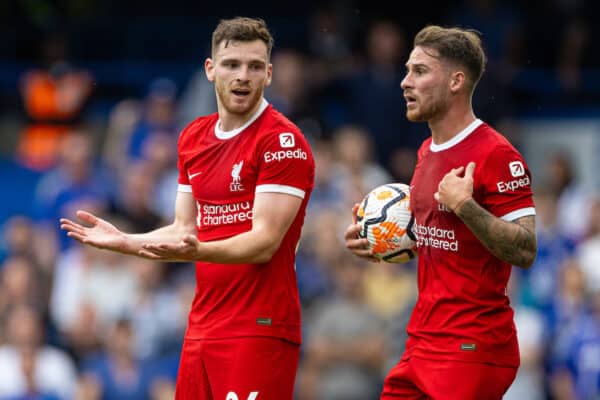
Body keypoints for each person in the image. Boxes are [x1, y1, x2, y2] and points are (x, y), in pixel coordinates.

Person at [60, 17, 315, 400]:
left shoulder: (282, 141)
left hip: (258, 327)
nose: (243, 76)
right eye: (232, 64)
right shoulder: (193, 138)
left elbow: (265, 243)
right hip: (202, 326)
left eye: (254, 66)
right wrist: (125, 241)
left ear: (269, 73)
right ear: (210, 70)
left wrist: (198, 250)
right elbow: (183, 229)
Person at [344, 25, 537, 400]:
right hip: (423, 341)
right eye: (406, 70)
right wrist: (385, 239)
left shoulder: (496, 154)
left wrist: (465, 205)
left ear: (456, 81)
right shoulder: (425, 152)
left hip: (472, 346)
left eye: (419, 71)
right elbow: (446, 241)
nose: (405, 82)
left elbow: (526, 249)